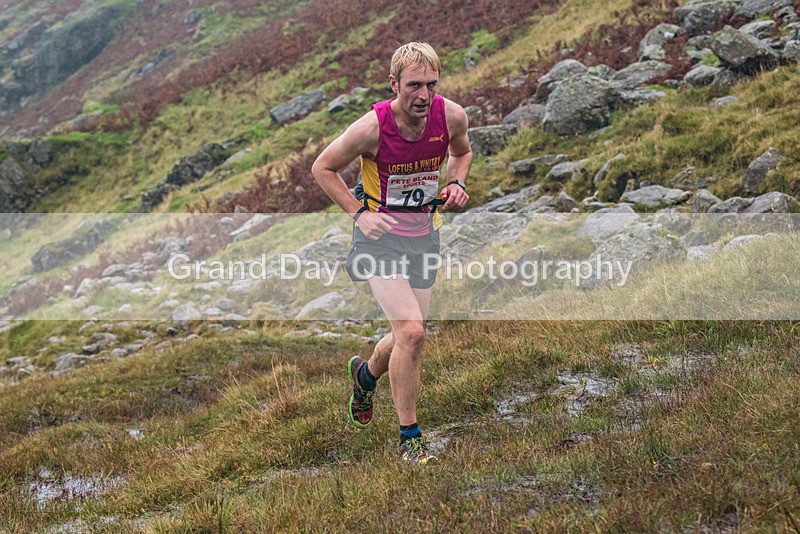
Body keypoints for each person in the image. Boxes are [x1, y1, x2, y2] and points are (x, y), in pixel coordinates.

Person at [312, 42, 472, 464]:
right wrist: (358, 214)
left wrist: (456, 183)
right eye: (414, 85)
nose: (424, 95)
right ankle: (409, 439)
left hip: (423, 235)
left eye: (431, 85)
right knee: (413, 333)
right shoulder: (373, 127)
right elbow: (322, 167)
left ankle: (365, 377)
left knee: (408, 336)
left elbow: (462, 152)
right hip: (379, 239)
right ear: (394, 83)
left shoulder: (451, 116)